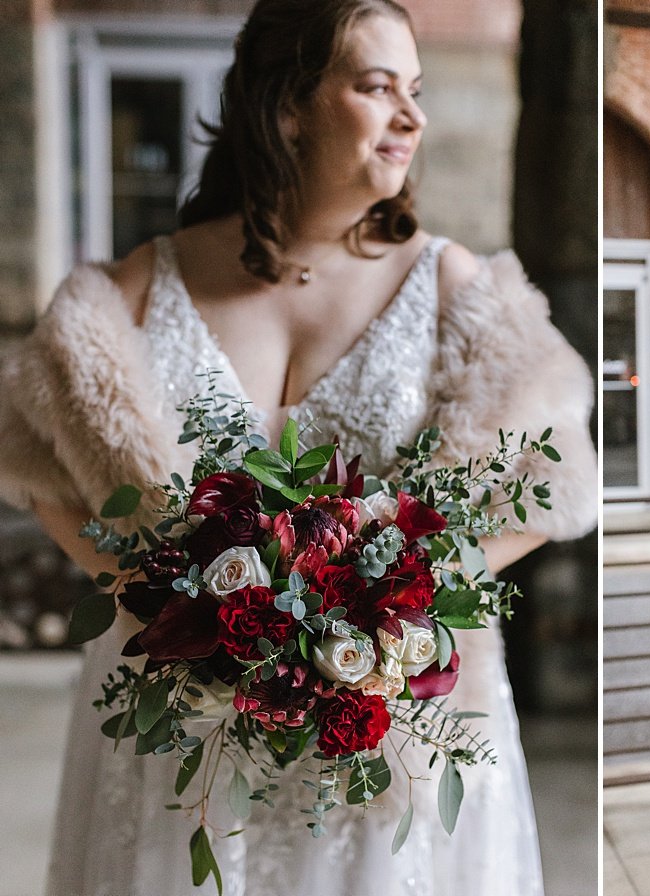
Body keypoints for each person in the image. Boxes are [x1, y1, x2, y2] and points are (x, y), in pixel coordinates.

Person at [0, 2, 596, 894]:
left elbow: (555, 490)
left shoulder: (454, 288)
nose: (412, 116)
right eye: (376, 86)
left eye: (417, 91)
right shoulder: (132, 290)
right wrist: (163, 613)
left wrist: (399, 610)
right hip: (180, 736)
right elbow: (38, 467)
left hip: (390, 731)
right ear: (288, 105)